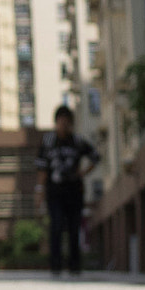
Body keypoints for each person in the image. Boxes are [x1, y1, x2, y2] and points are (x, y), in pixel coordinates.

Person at [36, 106, 100, 276]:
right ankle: (55, 266)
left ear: (71, 124)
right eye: (61, 122)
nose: (64, 126)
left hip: (74, 192)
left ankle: (74, 266)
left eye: (67, 123)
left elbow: (95, 157)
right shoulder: (48, 141)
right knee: (56, 226)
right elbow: (42, 167)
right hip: (55, 192)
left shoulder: (78, 141)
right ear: (56, 122)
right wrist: (39, 190)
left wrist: (83, 172)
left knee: (74, 228)